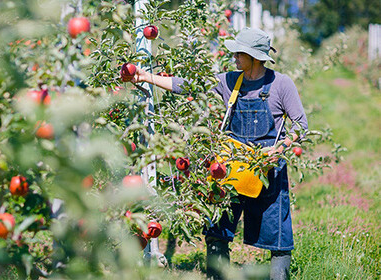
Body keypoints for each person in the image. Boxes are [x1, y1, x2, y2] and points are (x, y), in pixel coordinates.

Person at [125, 27, 308, 280]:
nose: (234, 57)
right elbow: (189, 86)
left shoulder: (281, 84)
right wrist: (147, 77)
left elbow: (300, 125)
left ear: (254, 57)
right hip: (230, 168)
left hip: (267, 168)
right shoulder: (230, 81)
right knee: (217, 227)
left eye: (239, 54)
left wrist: (278, 150)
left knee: (277, 234)